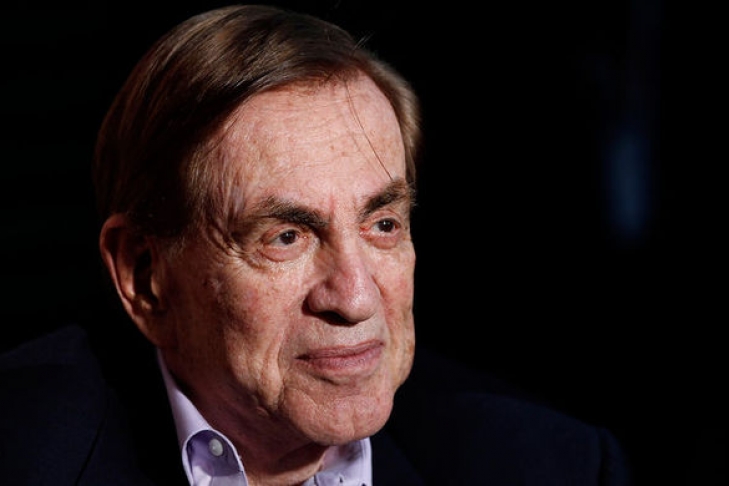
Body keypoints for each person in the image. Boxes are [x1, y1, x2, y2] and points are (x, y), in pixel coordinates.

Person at [0, 4, 633, 485]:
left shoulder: (553, 466)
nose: (355, 299)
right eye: (287, 237)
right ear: (144, 275)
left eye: (382, 224)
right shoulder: (23, 451)